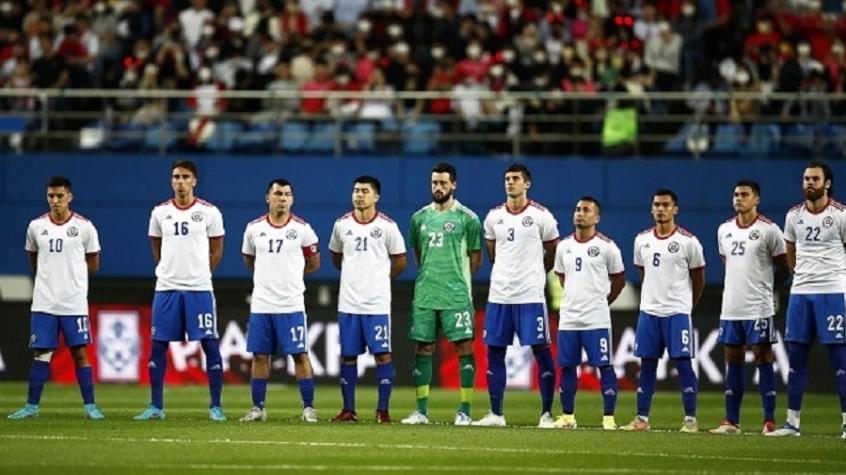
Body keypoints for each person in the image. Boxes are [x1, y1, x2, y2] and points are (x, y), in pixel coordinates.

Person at [135, 160, 226, 421]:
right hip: (167, 288)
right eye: (176, 177)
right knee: (158, 345)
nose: (180, 181)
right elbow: (156, 247)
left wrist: (201, 273)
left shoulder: (210, 213)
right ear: (171, 180)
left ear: (194, 181)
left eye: (185, 177)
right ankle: (156, 407)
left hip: (199, 289)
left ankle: (215, 406)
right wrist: (169, 269)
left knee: (209, 344)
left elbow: (217, 250)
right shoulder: (159, 212)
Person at [8, 176, 104, 420]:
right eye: (51, 196)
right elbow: (34, 259)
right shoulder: (36, 226)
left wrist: (73, 281)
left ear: (69, 197)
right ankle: (31, 407)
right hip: (44, 302)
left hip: (74, 302)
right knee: (41, 353)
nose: (55, 200)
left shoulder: (85, 227)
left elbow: (93, 264)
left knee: (79, 353)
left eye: (60, 196)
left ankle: (90, 406)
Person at [473, 164, 559, 428]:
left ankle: (546, 414)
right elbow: (492, 251)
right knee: (495, 352)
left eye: (515, 179)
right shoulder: (493, 216)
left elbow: (552, 251)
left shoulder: (542, 216)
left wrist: (535, 273)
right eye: (507, 179)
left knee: (542, 352)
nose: (510, 183)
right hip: (499, 296)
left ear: (527, 184)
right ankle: (496, 414)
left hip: (530, 296)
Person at [768, 162, 846, 438]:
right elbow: (790, 247)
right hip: (800, 292)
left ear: (827, 183)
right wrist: (797, 273)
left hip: (832, 291)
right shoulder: (793, 215)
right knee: (796, 359)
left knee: (840, 358)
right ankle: (792, 424)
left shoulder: (840, 214)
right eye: (805, 178)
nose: (809, 183)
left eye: (815, 179)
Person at [401, 162, 482, 426]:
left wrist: (458, 280)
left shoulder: (467, 218)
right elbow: (418, 255)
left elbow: (476, 257)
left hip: (456, 295)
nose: (438, 187)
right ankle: (421, 411)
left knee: (464, 347)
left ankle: (465, 411)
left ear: (454, 184)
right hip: (425, 294)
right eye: (434, 183)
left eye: (443, 183)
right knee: (423, 348)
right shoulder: (419, 218)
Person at [621, 189, 705, 433]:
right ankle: (641, 419)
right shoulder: (642, 240)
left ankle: (690, 419)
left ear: (675, 209)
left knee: (683, 363)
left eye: (666, 205)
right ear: (651, 208)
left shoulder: (688, 242)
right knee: (647, 364)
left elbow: (698, 276)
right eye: (656, 204)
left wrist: (689, 302)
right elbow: (642, 271)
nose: (660, 209)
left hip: (677, 311)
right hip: (649, 312)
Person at [239, 179, 321, 423]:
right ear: (268, 198)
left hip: (291, 304)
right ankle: (258, 408)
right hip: (262, 304)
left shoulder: (303, 229)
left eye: (286, 194)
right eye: (277, 194)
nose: (282, 198)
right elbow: (249, 260)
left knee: (300, 355)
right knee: (260, 356)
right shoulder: (254, 228)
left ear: (292, 199)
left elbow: (314, 263)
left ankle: (308, 408)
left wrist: (292, 277)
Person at [710, 181, 787, 435]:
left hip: (759, 306)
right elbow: (728, 262)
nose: (738, 198)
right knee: (733, 358)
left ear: (756, 200)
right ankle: (731, 421)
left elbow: (784, 264)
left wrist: (769, 286)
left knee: (763, 357)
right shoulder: (724, 230)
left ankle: (769, 421)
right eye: (735, 194)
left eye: (744, 195)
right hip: (731, 306)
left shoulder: (769, 230)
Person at [328, 176, 407, 423]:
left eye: (364, 191)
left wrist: (381, 279)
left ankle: (382, 410)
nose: (358, 195)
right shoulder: (341, 225)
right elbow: (336, 255)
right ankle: (348, 410)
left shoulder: (387, 226)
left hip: (377, 304)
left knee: (382, 355)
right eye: (355, 190)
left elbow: (401, 260)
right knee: (348, 356)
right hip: (349, 303)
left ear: (376, 196)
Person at [552, 197, 625, 431]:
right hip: (570, 318)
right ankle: (567, 417)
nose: (579, 213)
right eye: (577, 209)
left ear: (597, 217)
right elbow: (562, 276)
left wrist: (602, 302)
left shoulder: (607, 247)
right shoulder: (563, 246)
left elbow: (619, 280)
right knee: (567, 366)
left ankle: (608, 419)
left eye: (586, 210)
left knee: (604, 366)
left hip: (597, 319)